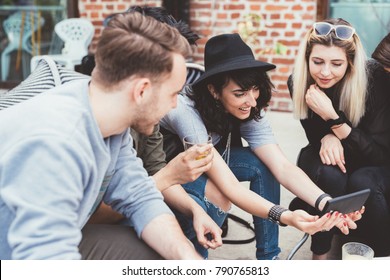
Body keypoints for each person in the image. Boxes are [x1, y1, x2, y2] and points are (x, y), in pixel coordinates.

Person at [0, 12, 202, 260]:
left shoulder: (108, 120)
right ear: (141, 91)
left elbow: (139, 196)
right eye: (173, 94)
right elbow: (45, 260)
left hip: (53, 239)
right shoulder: (55, 144)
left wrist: (188, 258)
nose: (174, 106)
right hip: (19, 253)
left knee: (166, 255)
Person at [159, 33, 362, 260]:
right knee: (218, 196)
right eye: (240, 93)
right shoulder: (185, 111)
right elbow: (230, 187)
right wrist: (287, 215)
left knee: (262, 164)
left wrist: (326, 202)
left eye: (254, 89)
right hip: (172, 174)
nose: (252, 101)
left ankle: (269, 258)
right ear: (214, 91)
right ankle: (198, 259)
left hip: (212, 160)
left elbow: (282, 167)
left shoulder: (249, 105)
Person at [288, 19, 390, 259]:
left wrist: (334, 122)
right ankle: (320, 255)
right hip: (332, 157)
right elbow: (314, 136)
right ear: (307, 59)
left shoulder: (374, 80)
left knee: (362, 179)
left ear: (351, 62)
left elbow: (378, 154)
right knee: (330, 173)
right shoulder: (299, 81)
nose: (325, 72)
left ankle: (383, 258)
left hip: (367, 159)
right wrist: (325, 135)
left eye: (336, 64)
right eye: (317, 61)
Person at [345, 32, 390, 257]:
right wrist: (334, 129)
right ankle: (384, 259)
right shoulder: (379, 80)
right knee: (362, 180)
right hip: (381, 159)